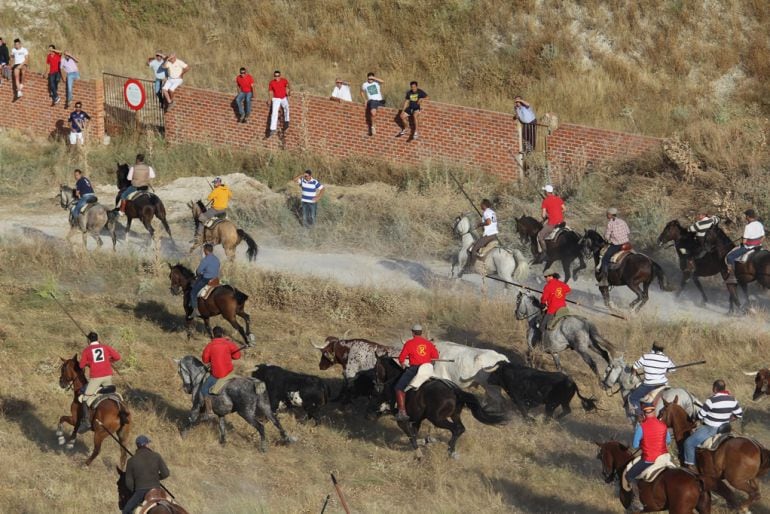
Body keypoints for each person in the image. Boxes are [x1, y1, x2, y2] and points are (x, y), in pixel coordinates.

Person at [683, 379, 743, 471]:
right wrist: (728, 419)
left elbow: (700, 415)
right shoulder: (733, 399)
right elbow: (739, 414)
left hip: (710, 429)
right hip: (725, 428)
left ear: (715, 388)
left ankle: (691, 466)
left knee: (688, 443)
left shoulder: (711, 400)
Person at [626, 401, 672, 512]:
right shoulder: (663, 425)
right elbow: (669, 441)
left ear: (644, 413)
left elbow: (635, 444)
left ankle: (637, 501)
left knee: (630, 475)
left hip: (649, 459)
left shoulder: (641, 426)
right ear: (654, 411)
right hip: (664, 458)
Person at [395, 324, 439, 421]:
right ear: (421, 332)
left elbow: (401, 358)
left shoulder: (409, 343)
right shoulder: (428, 343)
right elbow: (436, 356)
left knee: (398, 388)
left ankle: (401, 412)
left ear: (413, 332)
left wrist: (402, 363)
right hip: (428, 368)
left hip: (415, 369)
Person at [78, 331, 121, 429]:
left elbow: (81, 365)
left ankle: (86, 422)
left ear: (88, 340)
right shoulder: (105, 347)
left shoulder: (87, 350)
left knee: (84, 398)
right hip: (108, 377)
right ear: (97, 339)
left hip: (96, 378)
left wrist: (90, 362)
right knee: (109, 395)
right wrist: (108, 361)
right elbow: (117, 357)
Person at [121, 435, 170, 514]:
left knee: (126, 511)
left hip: (140, 491)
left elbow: (128, 482)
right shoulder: (156, 456)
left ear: (137, 445)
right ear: (147, 444)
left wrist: (135, 489)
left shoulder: (131, 461)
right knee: (174, 505)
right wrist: (155, 478)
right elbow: (166, 473)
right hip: (157, 490)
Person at [200, 326, 241, 420]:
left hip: (218, 374)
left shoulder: (210, 345)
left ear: (213, 335)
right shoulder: (228, 343)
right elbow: (237, 356)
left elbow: (205, 360)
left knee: (204, 389)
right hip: (230, 372)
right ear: (222, 334)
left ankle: (209, 412)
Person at [627, 343, 675, 415]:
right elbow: (673, 369)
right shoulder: (666, 359)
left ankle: (640, 416)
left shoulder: (646, 357)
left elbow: (634, 367)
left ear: (653, 348)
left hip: (649, 385)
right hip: (663, 384)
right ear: (662, 349)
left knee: (633, 398)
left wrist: (633, 375)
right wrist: (665, 369)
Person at [598, 207, 631, 286]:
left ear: (610, 215)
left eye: (607, 214)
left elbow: (606, 236)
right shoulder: (622, 221)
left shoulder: (610, 223)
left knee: (605, 259)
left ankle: (604, 280)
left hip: (617, 245)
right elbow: (628, 232)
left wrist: (608, 239)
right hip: (626, 243)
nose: (606, 215)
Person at [726, 209, 764, 274]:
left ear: (748, 216)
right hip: (759, 247)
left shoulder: (748, 226)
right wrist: (758, 243)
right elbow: (763, 237)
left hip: (748, 248)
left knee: (730, 257)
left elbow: (744, 242)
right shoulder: (759, 224)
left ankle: (732, 275)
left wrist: (744, 239)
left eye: (746, 216)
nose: (745, 217)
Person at [535, 184, 566, 263]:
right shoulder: (558, 199)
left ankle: (544, 253)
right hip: (562, 222)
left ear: (546, 192)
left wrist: (548, 215)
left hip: (552, 223)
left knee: (540, 236)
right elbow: (564, 209)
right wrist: (558, 212)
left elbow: (543, 215)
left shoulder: (545, 201)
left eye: (544, 191)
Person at [190, 244, 220, 319]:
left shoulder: (205, 259)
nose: (204, 251)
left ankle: (196, 311)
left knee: (193, 292)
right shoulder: (216, 259)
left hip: (206, 279)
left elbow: (199, 271)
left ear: (206, 251)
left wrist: (199, 273)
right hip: (215, 279)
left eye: (204, 250)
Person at [538, 271, 571, 336]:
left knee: (542, 327)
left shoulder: (548, 286)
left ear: (551, 276)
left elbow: (544, 299)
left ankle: (542, 344)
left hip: (552, 310)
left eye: (546, 277)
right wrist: (561, 295)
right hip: (563, 309)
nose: (545, 278)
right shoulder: (562, 283)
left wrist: (543, 304)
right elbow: (568, 290)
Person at [468, 199, 499, 264]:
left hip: (488, 235)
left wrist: (480, 224)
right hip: (494, 235)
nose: (480, 205)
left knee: (474, 249)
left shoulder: (486, 212)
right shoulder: (492, 212)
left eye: (481, 204)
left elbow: (488, 222)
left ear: (484, 205)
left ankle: (471, 267)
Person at [360, 72, 385, 136]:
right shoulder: (365, 84)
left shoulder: (376, 83)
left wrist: (374, 78)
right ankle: (373, 127)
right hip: (372, 101)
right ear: (367, 78)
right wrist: (365, 100)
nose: (370, 80)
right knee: (373, 113)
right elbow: (361, 92)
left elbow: (383, 81)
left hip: (380, 101)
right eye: (369, 78)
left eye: (371, 78)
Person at [267, 69, 290, 135]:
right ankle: (273, 128)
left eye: (278, 76)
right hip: (276, 98)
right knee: (274, 112)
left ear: (280, 76)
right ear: (274, 76)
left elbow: (287, 86)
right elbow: (270, 92)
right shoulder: (271, 83)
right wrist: (269, 99)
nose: (277, 77)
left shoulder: (284, 80)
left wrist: (288, 92)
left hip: (283, 97)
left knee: (287, 108)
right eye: (275, 76)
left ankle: (287, 121)